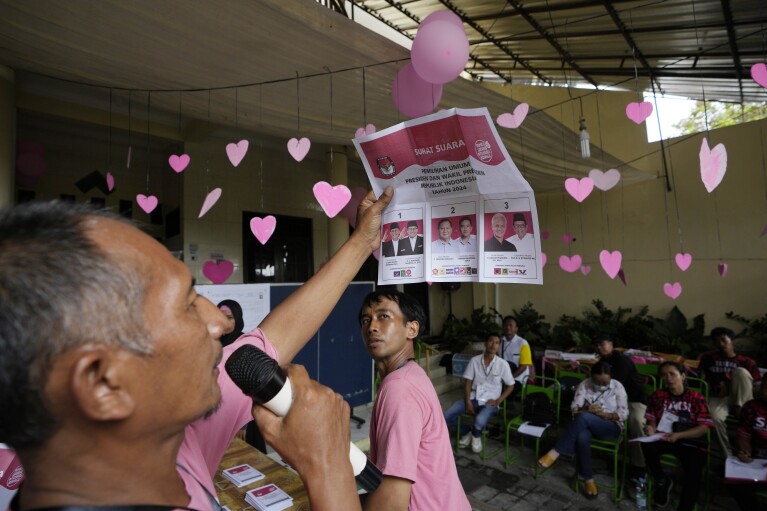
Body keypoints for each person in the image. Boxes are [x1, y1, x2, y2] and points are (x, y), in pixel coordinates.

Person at [0, 186, 392, 511]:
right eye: (187, 305)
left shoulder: (156, 433)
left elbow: (274, 337)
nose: (221, 323)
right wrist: (327, 469)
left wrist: (362, 242)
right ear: (104, 383)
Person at [359, 291, 470, 511]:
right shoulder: (409, 374)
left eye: (383, 316)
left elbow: (390, 503)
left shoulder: (400, 388)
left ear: (412, 329)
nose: (371, 327)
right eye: (365, 320)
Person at [538, 361, 628, 499]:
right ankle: (588, 480)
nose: (601, 386)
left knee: (583, 418)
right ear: (591, 377)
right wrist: (586, 409)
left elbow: (625, 413)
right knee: (581, 435)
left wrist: (609, 415)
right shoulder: (585, 384)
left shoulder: (617, 386)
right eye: (598, 382)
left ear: (610, 378)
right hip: (585, 426)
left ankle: (556, 451)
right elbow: (574, 409)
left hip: (610, 426)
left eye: (605, 383)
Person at [641, 361, 713, 511]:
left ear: (683, 376)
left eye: (672, 374)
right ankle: (662, 480)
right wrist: (651, 428)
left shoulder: (696, 398)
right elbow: (652, 419)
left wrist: (679, 435)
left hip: (691, 441)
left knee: (693, 474)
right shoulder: (657, 396)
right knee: (647, 444)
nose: (668, 378)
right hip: (665, 438)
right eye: (664, 375)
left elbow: (704, 428)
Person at [443, 334, 515, 453]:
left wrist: (498, 401)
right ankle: (466, 432)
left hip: (490, 402)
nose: (493, 345)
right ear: (485, 344)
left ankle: (476, 436)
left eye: (497, 343)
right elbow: (468, 381)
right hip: (473, 397)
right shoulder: (474, 360)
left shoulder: (503, 364)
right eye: (491, 341)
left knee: (479, 420)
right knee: (446, 416)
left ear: (498, 346)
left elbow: (511, 385)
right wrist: (467, 400)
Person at [699, 326, 762, 455]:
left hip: (743, 398)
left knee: (739, 372)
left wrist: (730, 385)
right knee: (714, 417)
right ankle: (728, 457)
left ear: (732, 342)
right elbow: (700, 379)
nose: (721, 344)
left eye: (724, 340)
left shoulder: (746, 361)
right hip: (720, 398)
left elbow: (757, 387)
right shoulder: (708, 358)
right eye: (717, 342)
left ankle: (741, 410)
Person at [594, 334, 648, 476]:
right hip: (615, 399)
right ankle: (609, 454)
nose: (599, 347)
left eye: (602, 344)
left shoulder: (622, 361)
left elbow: (615, 384)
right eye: (597, 345)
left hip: (634, 399)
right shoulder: (602, 361)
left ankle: (640, 465)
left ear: (611, 344)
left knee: (636, 422)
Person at [728, 378, 767, 510]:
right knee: (736, 484)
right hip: (757, 458)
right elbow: (744, 434)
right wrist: (746, 452)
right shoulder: (751, 407)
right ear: (761, 388)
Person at [499, 316, 532, 397]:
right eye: (506, 325)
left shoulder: (523, 343)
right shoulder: (499, 342)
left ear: (516, 328)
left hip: (517, 379)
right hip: (501, 377)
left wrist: (509, 379)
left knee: (502, 392)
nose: (508, 327)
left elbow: (523, 367)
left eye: (511, 325)